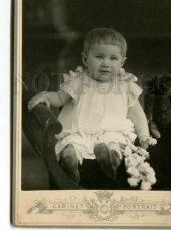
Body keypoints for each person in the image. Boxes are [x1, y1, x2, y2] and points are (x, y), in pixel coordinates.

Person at [28, 28, 156, 188]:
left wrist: (144, 136)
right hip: (81, 131)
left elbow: (137, 114)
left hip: (112, 131)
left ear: (122, 62)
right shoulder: (79, 82)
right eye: (99, 57)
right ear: (85, 59)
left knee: (114, 142)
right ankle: (71, 163)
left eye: (113, 58)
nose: (106, 64)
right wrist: (46, 96)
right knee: (73, 144)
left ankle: (110, 160)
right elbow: (60, 98)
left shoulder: (125, 85)